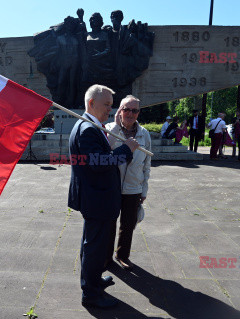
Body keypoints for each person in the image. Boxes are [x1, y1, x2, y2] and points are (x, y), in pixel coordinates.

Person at [68, 84, 138, 309]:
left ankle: (93, 280)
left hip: (96, 197)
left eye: (111, 104)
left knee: (92, 245)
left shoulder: (92, 126)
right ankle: (91, 294)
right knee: (95, 247)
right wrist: (126, 149)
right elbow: (98, 163)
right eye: (107, 104)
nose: (111, 109)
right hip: (96, 199)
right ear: (91, 103)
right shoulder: (87, 128)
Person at [105, 95, 151, 271]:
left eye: (135, 110)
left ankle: (123, 255)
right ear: (120, 110)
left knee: (128, 224)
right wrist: (116, 127)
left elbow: (147, 164)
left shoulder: (144, 134)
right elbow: (104, 154)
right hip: (112, 187)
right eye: (126, 109)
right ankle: (106, 257)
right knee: (109, 223)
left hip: (133, 187)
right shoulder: (110, 129)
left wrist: (144, 189)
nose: (130, 114)